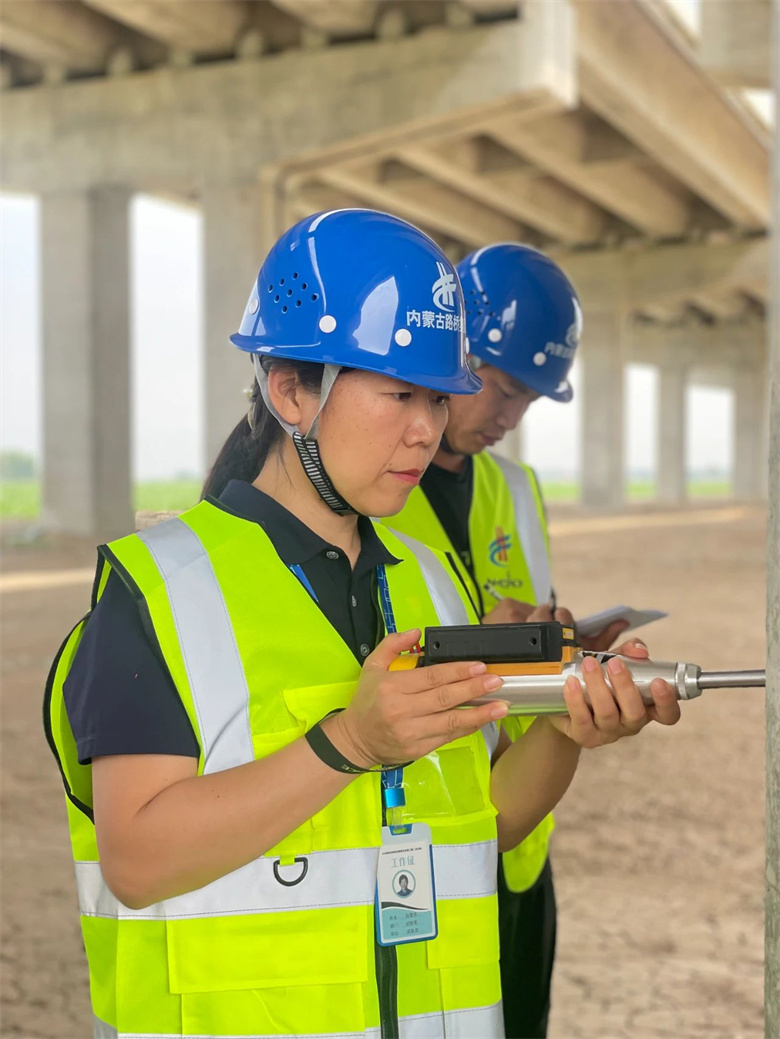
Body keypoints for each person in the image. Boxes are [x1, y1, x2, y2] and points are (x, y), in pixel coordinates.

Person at [44, 212, 680, 1039]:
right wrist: (351, 742)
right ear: (290, 391)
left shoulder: (433, 588)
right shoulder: (159, 593)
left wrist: (564, 730)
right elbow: (137, 858)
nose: (428, 428)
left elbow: (486, 822)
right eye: (398, 394)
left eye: (436, 396)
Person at [386, 243, 626, 1039]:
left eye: (528, 401)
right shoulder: (369, 488)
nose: (507, 417)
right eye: (500, 388)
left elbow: (538, 614)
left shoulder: (516, 491)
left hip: (520, 838)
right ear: (451, 348)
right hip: (414, 841)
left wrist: (557, 634)